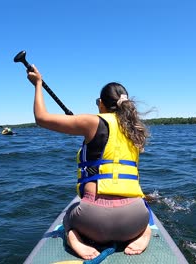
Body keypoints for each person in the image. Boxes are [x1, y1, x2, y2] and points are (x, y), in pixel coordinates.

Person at [26, 65, 151, 260]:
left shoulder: (92, 122)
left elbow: (41, 118)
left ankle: (73, 237)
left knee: (69, 216)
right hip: (135, 220)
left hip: (93, 222)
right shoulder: (136, 131)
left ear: (101, 103)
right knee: (144, 218)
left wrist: (38, 84)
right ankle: (145, 233)